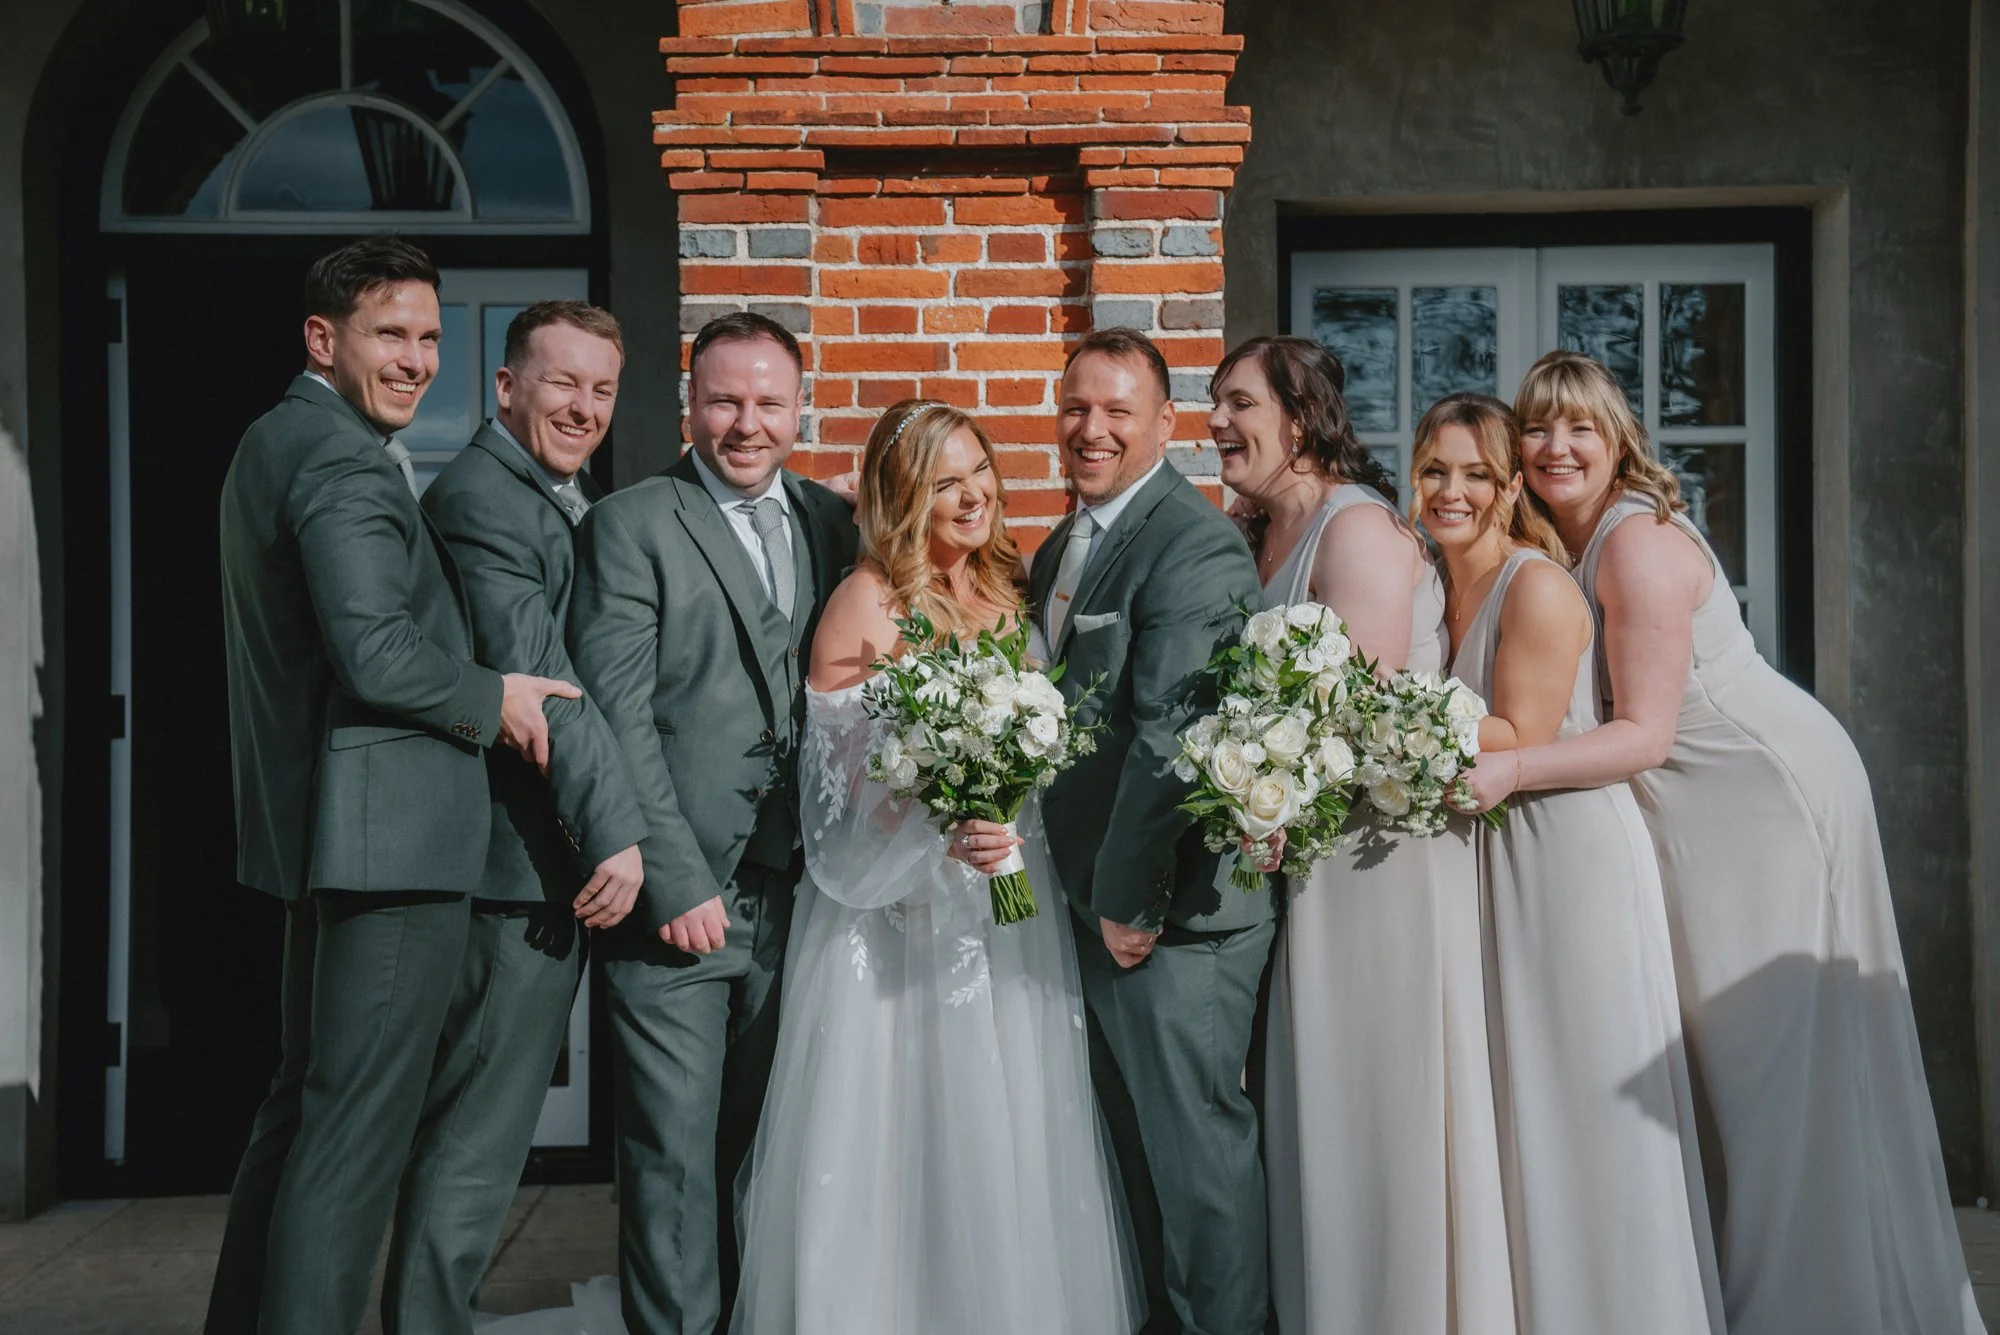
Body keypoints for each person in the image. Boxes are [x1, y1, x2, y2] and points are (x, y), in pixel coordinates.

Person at [1462, 350, 1984, 1335]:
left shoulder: (1634, 548)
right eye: (1536, 427)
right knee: (1715, 1066)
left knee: (1774, 1063)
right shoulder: (1548, 539)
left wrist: (1507, 770)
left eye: (1579, 426)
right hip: (1687, 809)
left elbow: (1644, 733)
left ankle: (1812, 1306)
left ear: (1617, 439)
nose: (1555, 446)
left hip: (1764, 801)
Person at [206, 236, 579, 1335]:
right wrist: (495, 696)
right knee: (354, 1129)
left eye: (426, 335)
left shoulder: (277, 440)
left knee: (304, 1110)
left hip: (332, 837)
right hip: (392, 844)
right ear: (323, 339)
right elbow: (374, 651)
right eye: (389, 335)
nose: (416, 359)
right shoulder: (340, 460)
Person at [723, 398, 1139, 1335]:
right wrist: (943, 818)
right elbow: (836, 798)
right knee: (907, 1130)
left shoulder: (1011, 588)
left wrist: (1009, 818)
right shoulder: (868, 600)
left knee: (1012, 1121)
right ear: (903, 494)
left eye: (980, 470)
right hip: (900, 918)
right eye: (945, 480)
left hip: (1008, 909)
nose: (973, 494)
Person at [564, 312, 859, 1335]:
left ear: (799, 410)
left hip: (807, 892)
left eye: (769, 402)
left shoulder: (833, 522)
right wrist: (675, 879)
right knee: (672, 1153)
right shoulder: (631, 522)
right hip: (682, 896)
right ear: (686, 406)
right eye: (724, 400)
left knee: (768, 1146)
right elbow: (616, 713)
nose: (746, 424)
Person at [1217, 339, 1515, 1335]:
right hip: (1302, 859)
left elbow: (1356, 721)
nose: (1215, 421)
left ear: (1298, 421)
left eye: (1235, 403)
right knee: (1319, 1110)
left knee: (1376, 1100)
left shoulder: (1357, 536)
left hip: (1372, 861)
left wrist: (1258, 801)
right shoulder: (1260, 530)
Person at [1420, 391, 1720, 1335]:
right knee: (1530, 1111)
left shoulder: (1536, 586)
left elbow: (1522, 732)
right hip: (1507, 856)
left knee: (1587, 1104)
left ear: (1512, 488)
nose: (1452, 491)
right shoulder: (1435, 579)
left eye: (1475, 473)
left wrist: (1372, 716)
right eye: (1434, 470)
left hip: (1570, 856)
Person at [387, 301, 651, 1334]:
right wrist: (619, 830)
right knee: (475, 1135)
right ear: (505, 389)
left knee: (481, 1128)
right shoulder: (485, 501)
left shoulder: (556, 495)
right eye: (560, 383)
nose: (581, 408)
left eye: (599, 389)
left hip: (549, 861)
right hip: (514, 869)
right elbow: (544, 693)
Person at [1028, 328, 1266, 1335]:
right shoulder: (1060, 544)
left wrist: (1127, 899)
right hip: (1088, 906)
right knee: (1127, 1169)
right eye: (1077, 407)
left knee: (1196, 1171)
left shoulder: (1192, 543)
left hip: (1168, 917)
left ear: (1163, 425)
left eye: (1117, 411)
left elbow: (1173, 735)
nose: (1092, 429)